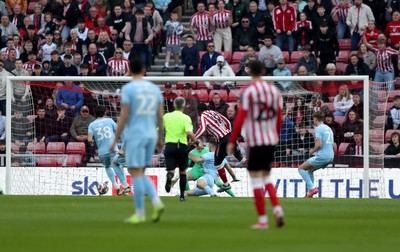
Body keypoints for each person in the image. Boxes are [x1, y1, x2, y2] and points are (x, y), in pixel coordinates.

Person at [227, 60, 284, 229]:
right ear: (264, 71)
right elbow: (279, 116)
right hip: (270, 140)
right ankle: (278, 210)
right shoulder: (274, 91)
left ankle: (263, 220)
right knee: (266, 177)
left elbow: (241, 117)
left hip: (256, 141)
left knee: (256, 180)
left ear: (249, 72)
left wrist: (232, 140)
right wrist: (276, 134)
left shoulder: (249, 91)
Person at [109, 57, 164, 224]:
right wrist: (161, 137)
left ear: (130, 70)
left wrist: (116, 138)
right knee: (141, 172)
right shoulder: (154, 89)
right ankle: (153, 204)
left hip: (136, 134)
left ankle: (144, 210)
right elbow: (160, 116)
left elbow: (124, 115)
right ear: (144, 70)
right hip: (151, 134)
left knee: (135, 172)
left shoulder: (129, 88)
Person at [195, 103, 245, 194]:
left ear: (199, 110)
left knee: (217, 162)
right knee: (241, 158)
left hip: (223, 140)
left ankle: (226, 184)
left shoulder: (204, 115)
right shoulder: (214, 112)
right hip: (230, 135)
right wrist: (229, 133)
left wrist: (194, 138)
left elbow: (202, 129)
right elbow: (227, 121)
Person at [88, 106, 130, 196]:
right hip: (112, 149)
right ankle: (125, 186)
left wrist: (91, 142)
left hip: (102, 153)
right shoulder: (109, 121)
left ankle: (116, 186)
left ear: (94, 114)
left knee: (107, 167)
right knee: (116, 165)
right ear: (105, 113)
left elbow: (89, 139)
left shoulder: (91, 125)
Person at [163, 97, 198, 201]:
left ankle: (169, 176)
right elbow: (189, 133)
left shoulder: (166, 116)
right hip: (181, 146)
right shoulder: (186, 118)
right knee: (182, 172)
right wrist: (196, 141)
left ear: (174, 105)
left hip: (169, 145)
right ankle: (182, 196)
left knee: (171, 170)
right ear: (184, 106)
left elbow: (158, 128)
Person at [298, 111, 334, 198]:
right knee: (310, 170)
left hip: (322, 156)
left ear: (316, 119)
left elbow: (319, 145)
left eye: (313, 118)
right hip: (331, 156)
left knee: (301, 169)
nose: (313, 120)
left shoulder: (318, 128)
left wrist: (312, 151)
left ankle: (312, 188)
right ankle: (309, 193)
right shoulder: (328, 128)